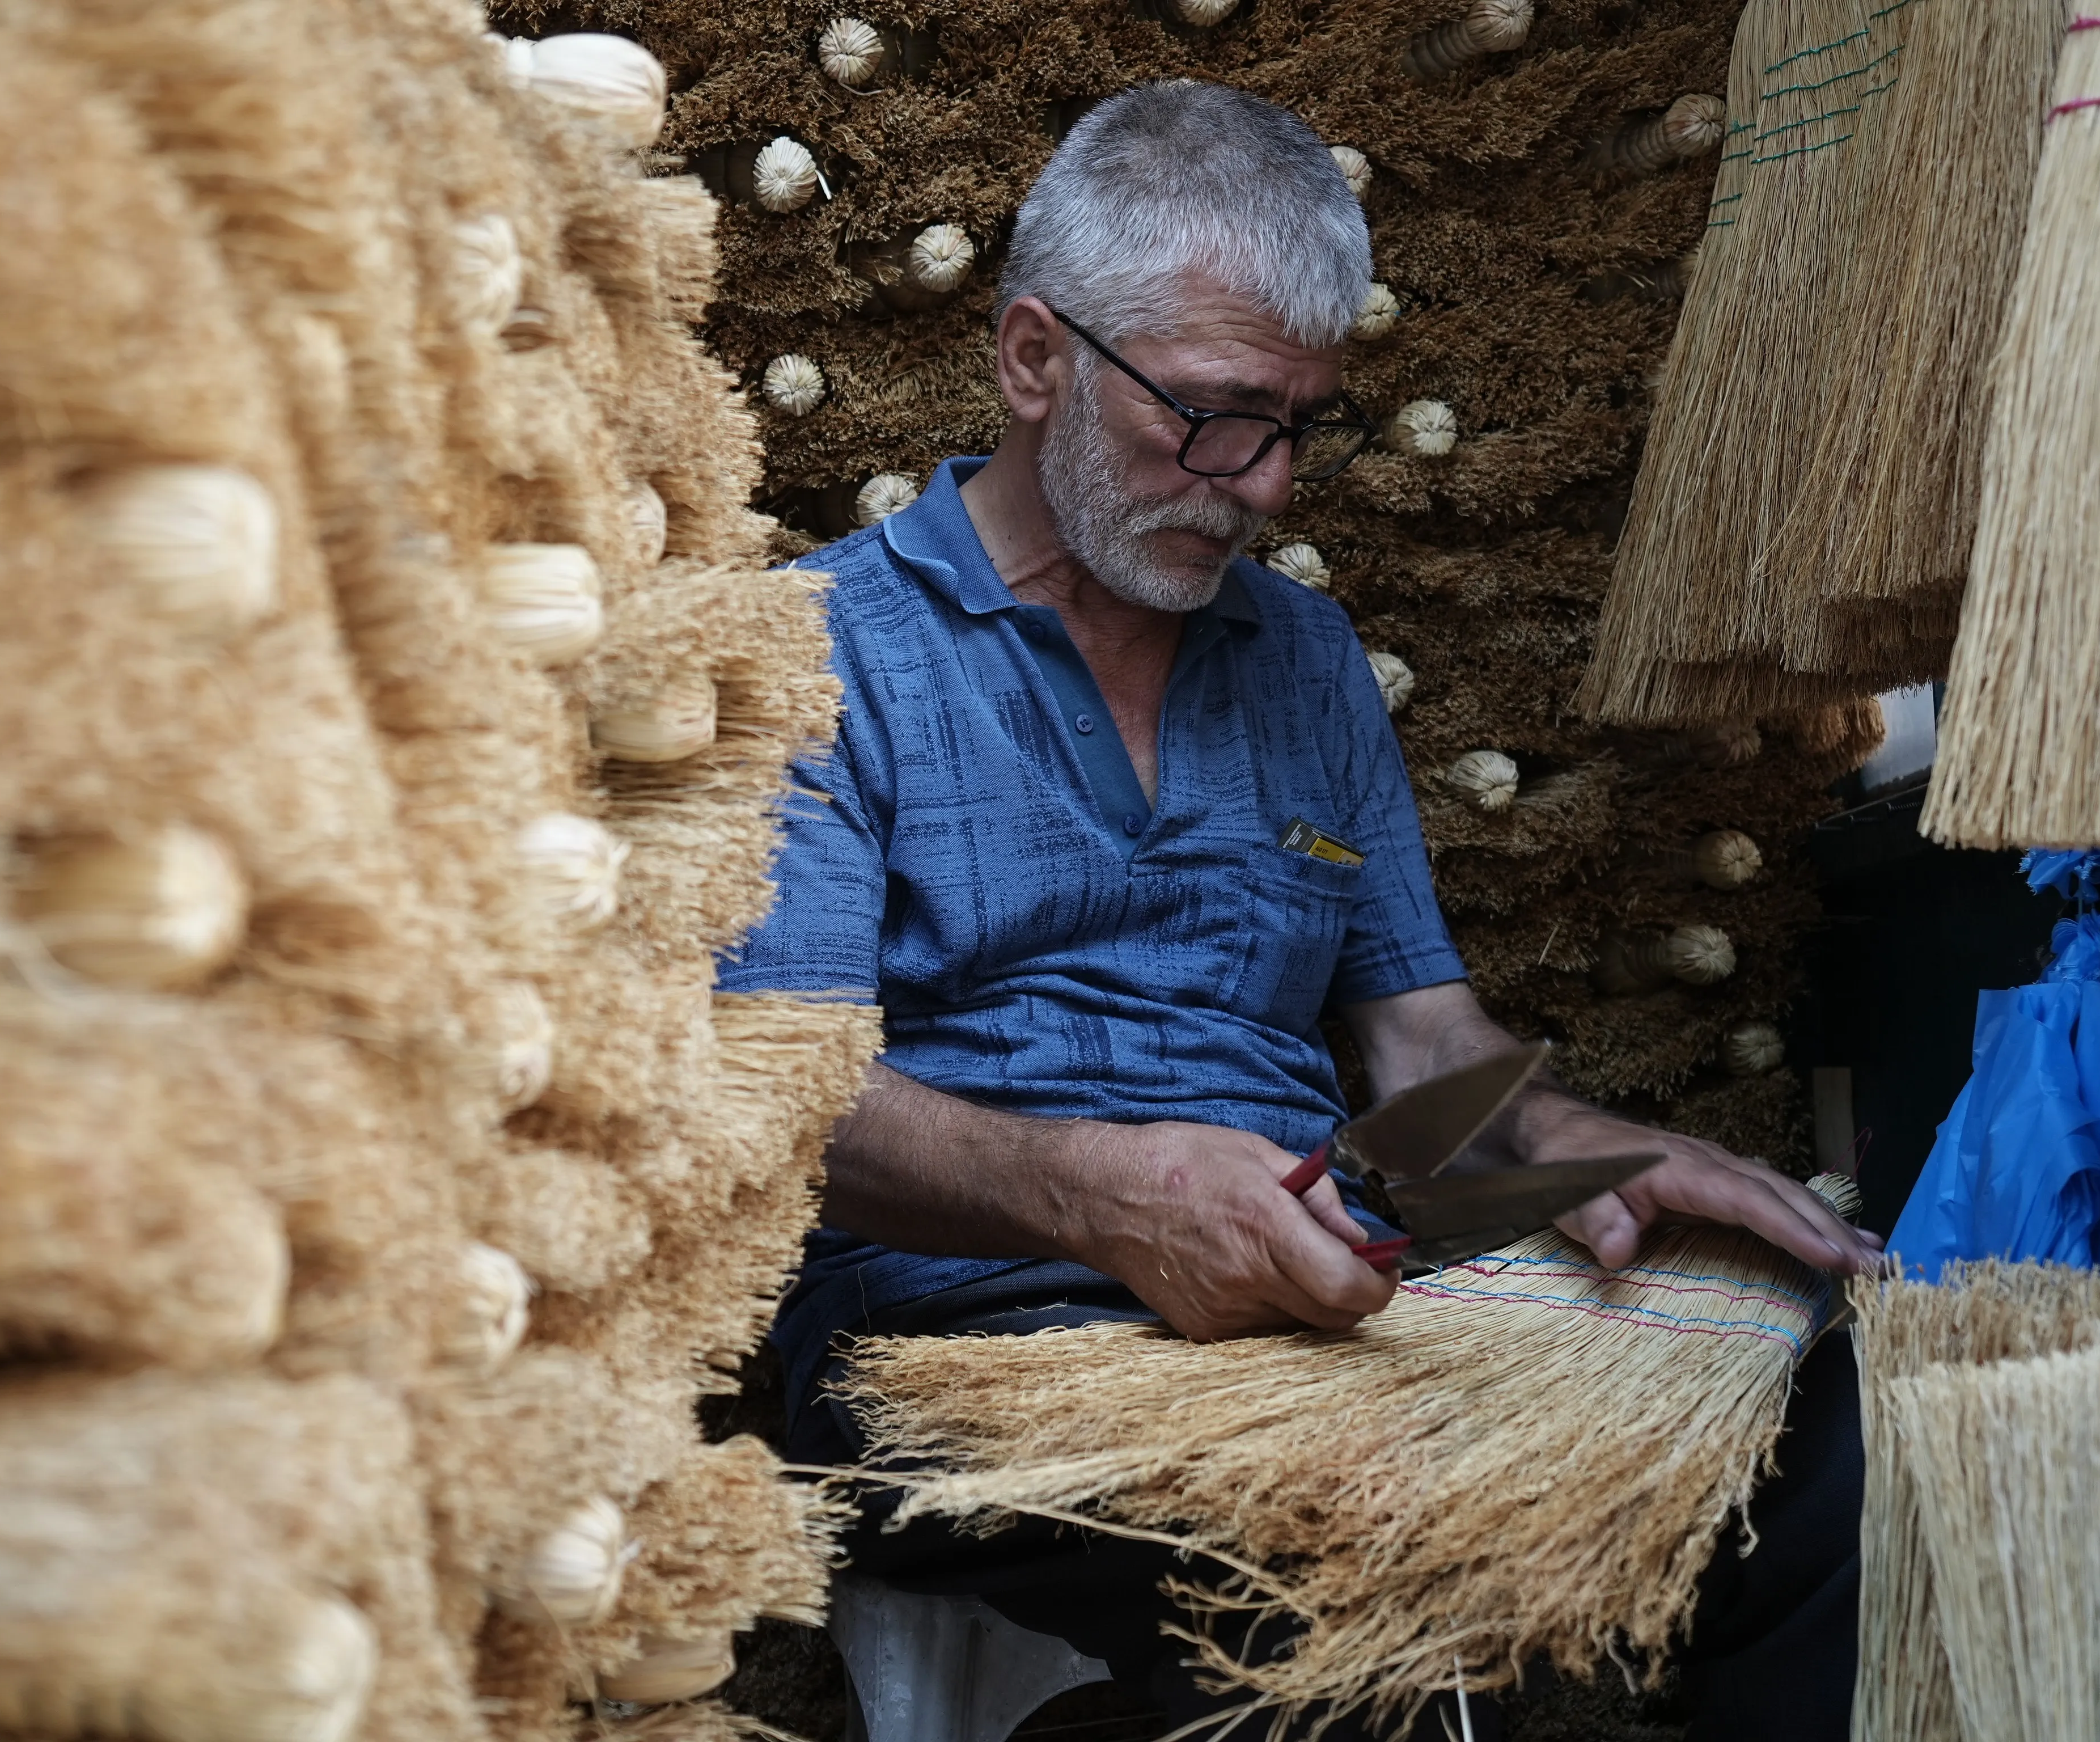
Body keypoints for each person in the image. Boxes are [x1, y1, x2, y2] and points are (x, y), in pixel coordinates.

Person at [718, 79, 1883, 1742]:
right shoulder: (817, 652)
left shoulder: (1307, 658)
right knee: (1348, 1628)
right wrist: (1095, 1196)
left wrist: (1577, 1143)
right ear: (1035, 358)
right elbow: (786, 1101)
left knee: (1832, 1443)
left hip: (1319, 1292)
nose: (1264, 484)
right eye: (1211, 415)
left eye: (1303, 425)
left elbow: (1422, 1042)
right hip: (961, 1350)